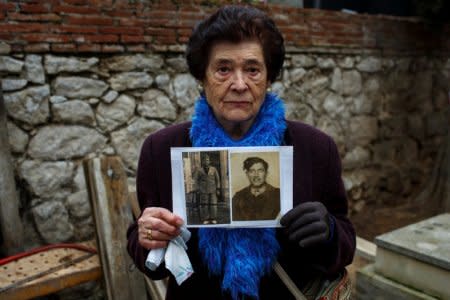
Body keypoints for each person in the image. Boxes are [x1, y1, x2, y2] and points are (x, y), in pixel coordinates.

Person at [127, 5, 355, 300]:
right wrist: (146, 236)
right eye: (223, 69)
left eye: (252, 69)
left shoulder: (315, 148)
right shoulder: (162, 149)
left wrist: (330, 231)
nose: (238, 84)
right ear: (202, 77)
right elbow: (143, 250)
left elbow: (346, 242)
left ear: (269, 78)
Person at [232, 156, 280, 221]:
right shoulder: (238, 197)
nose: (256, 175)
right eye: (252, 171)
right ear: (247, 174)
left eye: (260, 171)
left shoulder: (278, 195)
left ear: (266, 173)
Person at [194, 154, 221, 224]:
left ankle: (213, 218)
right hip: (203, 190)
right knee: (204, 205)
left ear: (209, 161)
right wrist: (197, 189)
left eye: (207, 160)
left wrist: (218, 189)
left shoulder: (214, 169)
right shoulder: (199, 170)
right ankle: (205, 218)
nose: (206, 161)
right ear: (203, 161)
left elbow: (217, 179)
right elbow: (196, 180)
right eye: (205, 160)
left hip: (213, 190)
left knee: (213, 204)